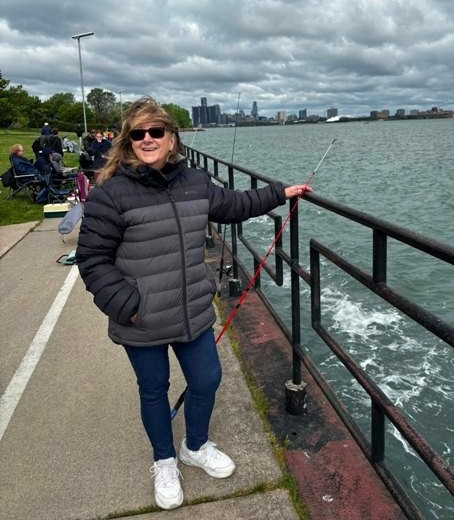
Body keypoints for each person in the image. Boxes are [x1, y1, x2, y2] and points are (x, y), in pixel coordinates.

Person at [75, 97, 312, 511]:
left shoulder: (195, 181)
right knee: (154, 390)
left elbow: (234, 205)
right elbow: (92, 259)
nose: (148, 139)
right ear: (128, 141)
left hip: (192, 310)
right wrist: (127, 305)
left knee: (206, 380)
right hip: (141, 318)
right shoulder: (110, 194)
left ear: (172, 138)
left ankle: (195, 446)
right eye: (138, 133)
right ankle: (164, 461)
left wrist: (279, 193)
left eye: (156, 131)